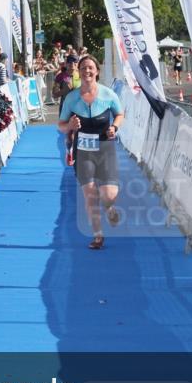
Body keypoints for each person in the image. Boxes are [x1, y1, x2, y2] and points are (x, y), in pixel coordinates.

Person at [57, 55, 124, 250]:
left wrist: (115, 127)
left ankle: (110, 208)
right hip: (83, 152)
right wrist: (69, 125)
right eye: (84, 67)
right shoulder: (71, 98)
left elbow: (120, 114)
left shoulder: (108, 94)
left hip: (105, 149)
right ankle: (97, 235)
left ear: (97, 71)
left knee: (109, 195)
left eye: (91, 68)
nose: (87, 71)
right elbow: (61, 125)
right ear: (78, 71)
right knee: (90, 195)